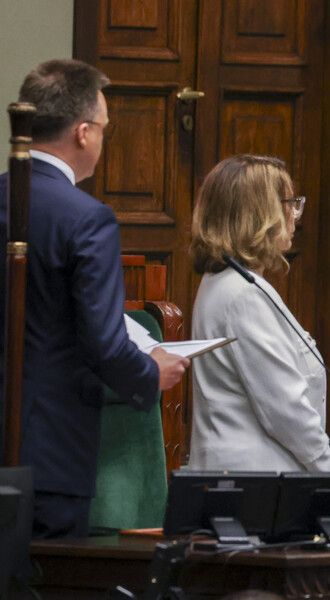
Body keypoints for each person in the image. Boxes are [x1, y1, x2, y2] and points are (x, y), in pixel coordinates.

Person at [0, 58, 189, 539]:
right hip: (49, 455)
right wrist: (151, 373)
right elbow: (104, 343)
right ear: (83, 133)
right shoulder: (87, 219)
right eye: (105, 128)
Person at [188, 154, 330, 472]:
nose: (295, 215)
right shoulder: (243, 295)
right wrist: (327, 469)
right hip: (257, 480)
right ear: (259, 214)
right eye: (290, 204)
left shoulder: (225, 282)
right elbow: (286, 408)